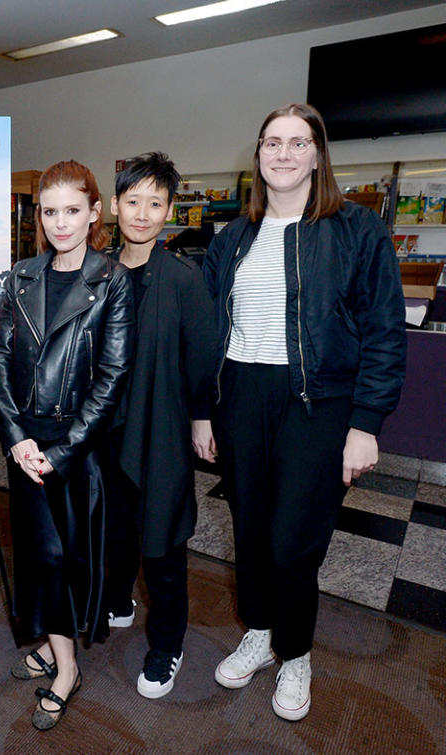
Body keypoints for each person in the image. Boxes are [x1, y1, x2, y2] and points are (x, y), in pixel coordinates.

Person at [203, 104, 406, 721]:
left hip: (318, 403)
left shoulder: (358, 230)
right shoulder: (232, 237)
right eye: (272, 142)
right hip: (241, 397)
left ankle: (295, 653)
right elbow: (212, 332)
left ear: (318, 155)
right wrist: (201, 411)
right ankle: (261, 630)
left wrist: (367, 423)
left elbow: (384, 332)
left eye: (298, 142)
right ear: (258, 153)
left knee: (294, 541)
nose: (283, 153)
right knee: (252, 530)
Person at [0, 160, 133, 731]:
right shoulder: (21, 275)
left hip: (80, 448)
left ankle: (63, 663)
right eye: (50, 212)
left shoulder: (110, 279)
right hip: (27, 446)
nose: (60, 223)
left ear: (95, 212)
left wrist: (64, 450)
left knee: (68, 558)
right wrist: (17, 437)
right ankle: (61, 658)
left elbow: (114, 373)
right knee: (39, 556)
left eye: (72, 210)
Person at [102, 152, 218, 699]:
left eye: (155, 202)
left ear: (171, 209)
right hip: (102, 432)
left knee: (162, 541)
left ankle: (168, 641)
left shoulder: (183, 280)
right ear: (115, 205)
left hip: (161, 429)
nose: (143, 213)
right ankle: (119, 600)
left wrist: (201, 418)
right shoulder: (95, 272)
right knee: (111, 528)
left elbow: (203, 359)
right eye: (133, 201)